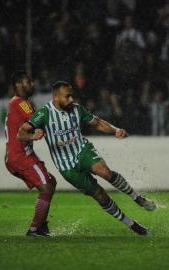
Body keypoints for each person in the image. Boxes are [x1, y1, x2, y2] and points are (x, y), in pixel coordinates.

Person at [17, 81, 156, 235]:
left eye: (72, 96)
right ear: (56, 97)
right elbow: (20, 133)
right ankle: (134, 226)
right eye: (67, 96)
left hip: (82, 150)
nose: (71, 99)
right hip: (66, 167)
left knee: (105, 172)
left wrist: (115, 130)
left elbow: (97, 123)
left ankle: (137, 198)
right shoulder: (44, 113)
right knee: (100, 196)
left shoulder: (77, 109)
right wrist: (32, 136)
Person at [4, 70, 56, 237]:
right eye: (29, 81)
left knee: (50, 183)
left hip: (18, 155)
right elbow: (37, 120)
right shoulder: (21, 103)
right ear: (19, 84)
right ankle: (35, 229)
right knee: (47, 186)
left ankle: (40, 225)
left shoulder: (18, 103)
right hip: (20, 156)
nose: (32, 84)